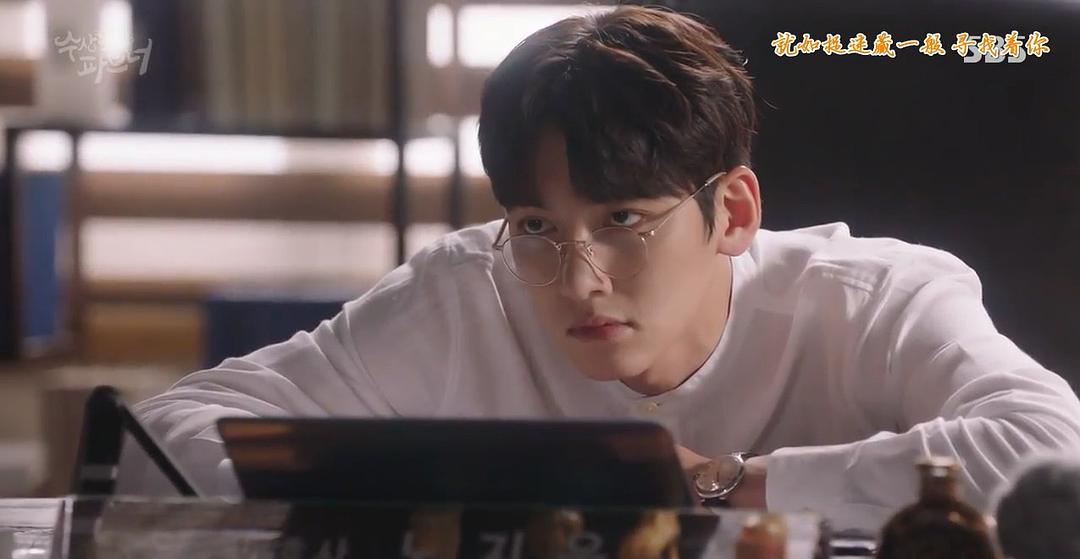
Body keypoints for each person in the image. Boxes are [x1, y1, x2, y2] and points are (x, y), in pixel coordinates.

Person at [119, 6, 1080, 532]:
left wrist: (727, 483)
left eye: (624, 220)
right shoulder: (470, 290)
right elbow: (158, 438)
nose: (577, 279)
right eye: (539, 225)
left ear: (733, 212)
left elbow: (1048, 451)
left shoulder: (874, 299)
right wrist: (413, 490)